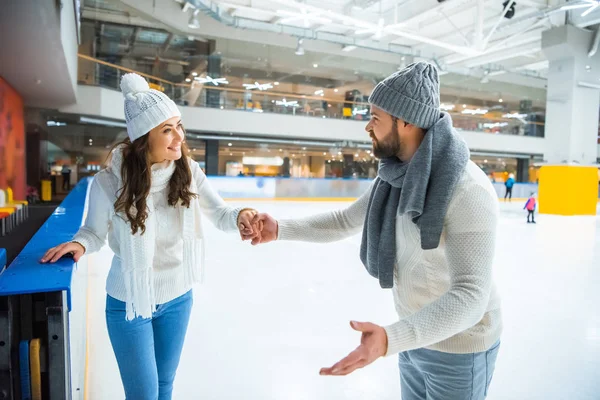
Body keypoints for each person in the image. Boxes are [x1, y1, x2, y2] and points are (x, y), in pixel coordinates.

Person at [248, 62, 502, 400]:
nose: (368, 127)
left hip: (460, 347)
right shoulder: (396, 177)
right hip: (411, 335)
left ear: (406, 121)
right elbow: (346, 220)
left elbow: (472, 296)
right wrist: (280, 229)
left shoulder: (467, 190)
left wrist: (391, 338)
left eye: (376, 118)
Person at [41, 73, 261, 400]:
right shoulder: (109, 181)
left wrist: (241, 216)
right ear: (144, 136)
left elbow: (220, 214)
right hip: (128, 301)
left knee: (165, 386)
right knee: (144, 394)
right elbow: (93, 232)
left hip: (177, 297)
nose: (179, 137)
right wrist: (80, 243)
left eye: (179, 125)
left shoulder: (188, 171)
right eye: (167, 130)